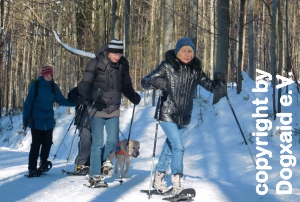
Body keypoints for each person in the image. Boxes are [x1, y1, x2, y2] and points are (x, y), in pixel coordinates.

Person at [141, 37, 225, 195]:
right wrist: (158, 83)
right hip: (167, 112)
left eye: (190, 51)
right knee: (178, 146)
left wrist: (219, 82)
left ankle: (158, 180)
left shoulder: (195, 70)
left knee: (170, 147)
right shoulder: (167, 66)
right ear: (177, 52)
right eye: (184, 51)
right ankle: (177, 183)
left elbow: (210, 87)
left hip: (185, 115)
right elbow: (145, 81)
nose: (187, 54)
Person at [78, 39, 141, 187]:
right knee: (97, 143)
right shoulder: (95, 63)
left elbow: (126, 87)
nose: (116, 56)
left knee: (113, 142)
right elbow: (83, 86)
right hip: (96, 109)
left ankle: (97, 163)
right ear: (108, 51)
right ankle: (95, 175)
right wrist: (91, 92)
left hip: (113, 109)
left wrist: (133, 96)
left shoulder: (123, 66)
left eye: (119, 54)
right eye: (114, 53)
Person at [23, 65, 76, 178]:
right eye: (46, 75)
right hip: (36, 120)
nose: (48, 77)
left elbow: (61, 100)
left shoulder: (53, 86)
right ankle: (32, 168)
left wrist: (76, 103)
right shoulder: (35, 86)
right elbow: (28, 103)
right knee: (35, 145)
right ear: (43, 75)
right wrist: (26, 118)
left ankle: (43, 163)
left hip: (48, 121)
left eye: (50, 75)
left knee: (47, 143)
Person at [67, 86, 91, 175]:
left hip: (96, 118)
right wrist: (80, 100)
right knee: (85, 139)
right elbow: (71, 95)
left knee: (95, 141)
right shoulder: (81, 87)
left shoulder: (99, 86)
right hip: (82, 118)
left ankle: (90, 163)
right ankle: (80, 164)